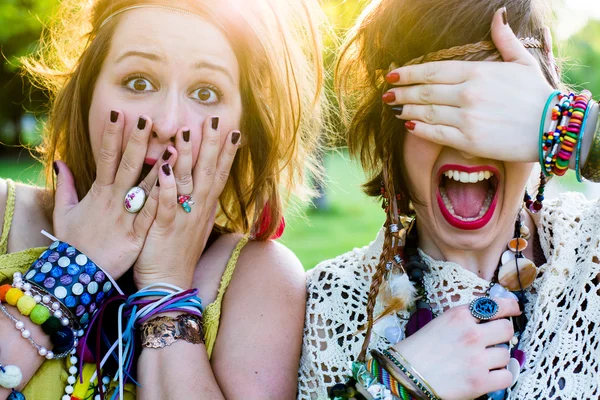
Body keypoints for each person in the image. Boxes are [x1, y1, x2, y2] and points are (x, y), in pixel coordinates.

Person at [0, 0, 325, 398]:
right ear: (87, 91)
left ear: (244, 124)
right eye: (139, 82)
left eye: (206, 92)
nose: (169, 124)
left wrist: (165, 288)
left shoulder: (259, 279)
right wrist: (75, 268)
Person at [299, 1, 600, 399]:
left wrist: (574, 129)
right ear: (390, 127)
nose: (471, 139)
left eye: (497, 108)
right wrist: (397, 387)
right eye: (438, 105)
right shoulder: (327, 304)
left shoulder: (590, 253)